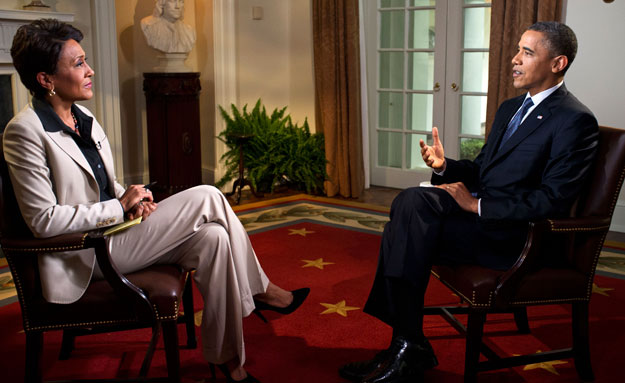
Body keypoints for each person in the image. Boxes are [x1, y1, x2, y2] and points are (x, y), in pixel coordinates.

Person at [5, 19, 308, 383]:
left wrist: (129, 198)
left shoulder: (81, 115)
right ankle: (261, 291)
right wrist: (118, 207)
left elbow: (102, 183)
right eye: (79, 64)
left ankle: (229, 363)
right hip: (85, 254)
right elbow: (43, 220)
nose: (91, 70)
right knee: (210, 195)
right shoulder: (24, 132)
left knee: (215, 239)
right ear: (45, 79)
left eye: (86, 61)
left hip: (117, 231)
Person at [339, 21, 599, 383]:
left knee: (407, 227)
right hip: (485, 224)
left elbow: (552, 200)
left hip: (517, 237)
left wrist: (476, 206)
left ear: (558, 64)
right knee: (410, 204)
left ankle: (406, 344)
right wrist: (445, 167)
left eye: (527, 52)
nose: (514, 60)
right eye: (517, 50)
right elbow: (482, 171)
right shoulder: (511, 108)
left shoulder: (575, 120)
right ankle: (406, 342)